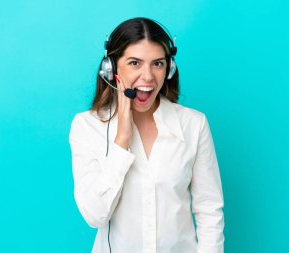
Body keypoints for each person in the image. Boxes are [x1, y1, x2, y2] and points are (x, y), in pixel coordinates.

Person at [69, 17, 224, 253]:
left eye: (158, 64)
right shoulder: (86, 127)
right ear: (111, 68)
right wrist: (121, 140)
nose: (148, 76)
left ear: (169, 68)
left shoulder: (194, 124)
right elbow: (95, 216)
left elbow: (209, 210)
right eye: (134, 63)